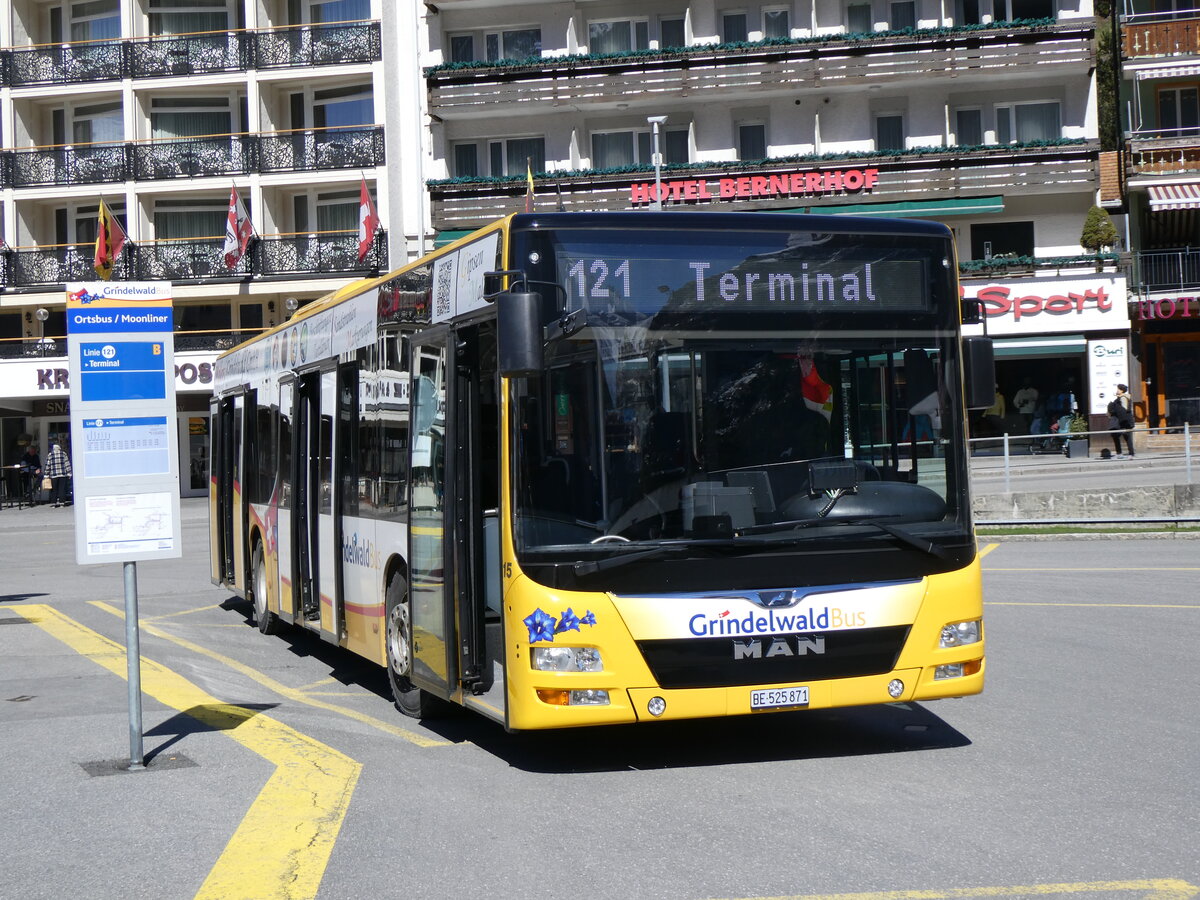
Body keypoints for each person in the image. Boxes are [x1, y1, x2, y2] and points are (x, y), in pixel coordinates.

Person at [1107, 383, 1135, 458]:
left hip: (1124, 421)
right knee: (1116, 435)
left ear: (1122, 391)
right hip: (1121, 420)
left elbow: (1124, 409)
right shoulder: (1119, 398)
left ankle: (1130, 453)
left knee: (1127, 437)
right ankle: (1120, 453)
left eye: (1118, 389)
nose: (1117, 390)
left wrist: (1114, 409)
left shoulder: (1123, 398)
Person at [45, 442, 72, 507]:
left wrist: (46, 474)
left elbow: (48, 465)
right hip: (63, 474)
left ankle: (54, 503)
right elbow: (67, 464)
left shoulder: (50, 454)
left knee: (54, 489)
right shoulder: (63, 454)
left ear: (53, 448)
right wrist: (69, 473)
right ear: (59, 448)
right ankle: (62, 503)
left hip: (54, 475)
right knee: (62, 489)